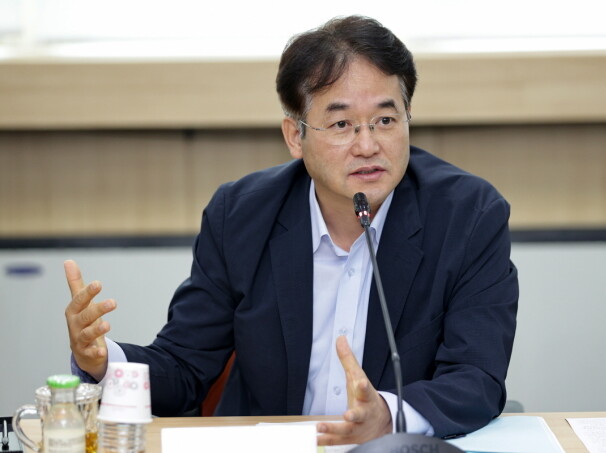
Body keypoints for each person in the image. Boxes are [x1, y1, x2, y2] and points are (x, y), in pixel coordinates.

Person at [64, 15, 518, 446]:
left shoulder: (468, 217)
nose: (368, 145)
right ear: (295, 136)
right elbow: (185, 368)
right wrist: (103, 363)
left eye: (385, 120)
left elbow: (476, 378)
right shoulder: (240, 216)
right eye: (341, 124)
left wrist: (389, 414)